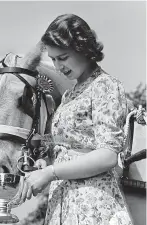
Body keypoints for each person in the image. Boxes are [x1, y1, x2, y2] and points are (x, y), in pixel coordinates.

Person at [22, 14, 134, 225]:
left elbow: (107, 155)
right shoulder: (69, 95)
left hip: (92, 205)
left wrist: (51, 172)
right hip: (62, 202)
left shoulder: (105, 86)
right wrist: (46, 163)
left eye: (62, 57)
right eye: (53, 59)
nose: (57, 66)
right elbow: (72, 149)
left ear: (83, 49)